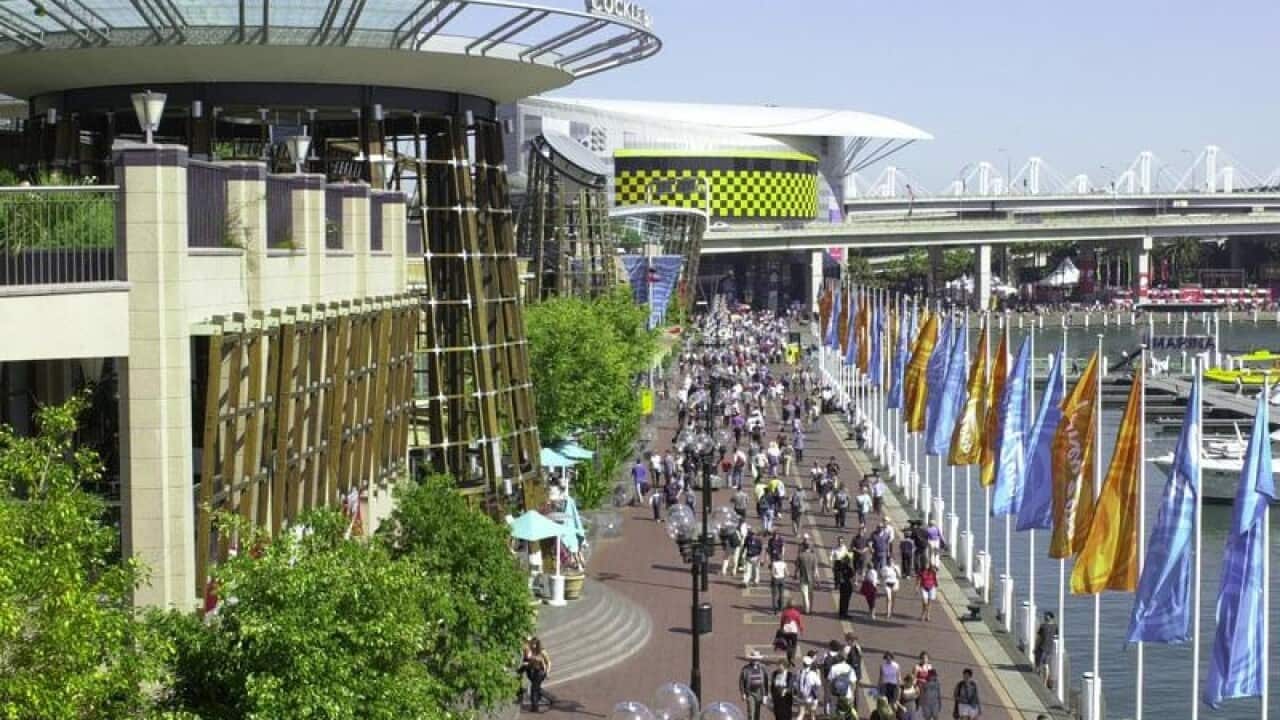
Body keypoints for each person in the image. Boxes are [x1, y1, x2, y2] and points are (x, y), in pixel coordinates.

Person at [826, 646, 857, 720]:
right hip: (847, 694)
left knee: (834, 714)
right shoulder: (850, 668)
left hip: (835, 694)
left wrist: (829, 693)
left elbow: (829, 682)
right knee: (847, 714)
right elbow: (853, 683)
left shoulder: (834, 668)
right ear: (846, 659)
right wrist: (852, 694)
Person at [740, 650, 769, 720]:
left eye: (757, 659)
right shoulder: (745, 669)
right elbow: (741, 681)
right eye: (754, 659)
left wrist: (765, 695)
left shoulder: (763, 668)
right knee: (751, 711)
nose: (755, 660)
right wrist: (743, 693)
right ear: (751, 659)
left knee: (757, 711)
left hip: (759, 692)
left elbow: (766, 682)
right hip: (750, 693)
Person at [524, 637, 551, 712]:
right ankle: (549, 698)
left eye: (534, 644)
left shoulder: (542, 651)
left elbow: (548, 662)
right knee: (536, 688)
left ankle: (535, 707)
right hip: (535, 671)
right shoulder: (532, 650)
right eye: (532, 644)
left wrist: (547, 672)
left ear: (537, 644)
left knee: (534, 689)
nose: (533, 646)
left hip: (541, 672)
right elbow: (529, 659)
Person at [794, 654, 823, 720]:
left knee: (801, 714)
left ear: (803, 664)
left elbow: (796, 683)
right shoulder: (813, 674)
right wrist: (818, 675)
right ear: (810, 665)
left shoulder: (799, 672)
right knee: (812, 715)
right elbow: (819, 684)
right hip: (810, 698)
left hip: (801, 696)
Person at [832, 538, 855, 619]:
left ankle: (841, 613)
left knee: (842, 599)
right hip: (847, 585)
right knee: (846, 600)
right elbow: (852, 575)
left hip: (842, 584)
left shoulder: (840, 566)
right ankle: (844, 613)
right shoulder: (848, 567)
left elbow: (837, 572)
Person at [795, 538, 818, 614]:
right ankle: (810, 609)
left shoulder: (800, 556)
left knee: (805, 594)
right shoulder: (814, 556)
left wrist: (795, 574)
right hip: (811, 578)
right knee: (810, 594)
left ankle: (807, 609)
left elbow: (797, 566)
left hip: (803, 577)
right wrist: (817, 578)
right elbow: (815, 569)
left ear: (804, 547)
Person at [1034, 611, 1058, 688]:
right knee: (1046, 664)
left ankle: (1038, 677)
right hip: (1049, 648)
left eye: (1045, 616)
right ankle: (1045, 682)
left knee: (1039, 663)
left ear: (1049, 617)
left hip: (1041, 647)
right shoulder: (1055, 626)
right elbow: (1056, 637)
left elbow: (1038, 638)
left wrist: (1035, 647)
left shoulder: (1043, 626)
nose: (1044, 617)